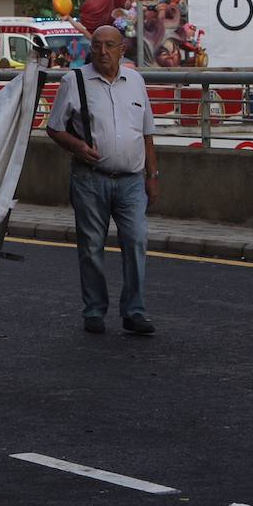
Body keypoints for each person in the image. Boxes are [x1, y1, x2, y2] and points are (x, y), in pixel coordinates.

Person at [45, 25, 159, 336]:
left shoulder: (136, 81)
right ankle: (94, 310)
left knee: (136, 241)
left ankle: (134, 310)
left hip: (132, 180)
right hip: (90, 179)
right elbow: (54, 128)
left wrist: (153, 175)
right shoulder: (75, 81)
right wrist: (79, 147)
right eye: (97, 46)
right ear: (90, 49)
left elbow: (147, 132)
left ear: (123, 49)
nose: (103, 52)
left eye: (110, 45)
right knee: (92, 246)